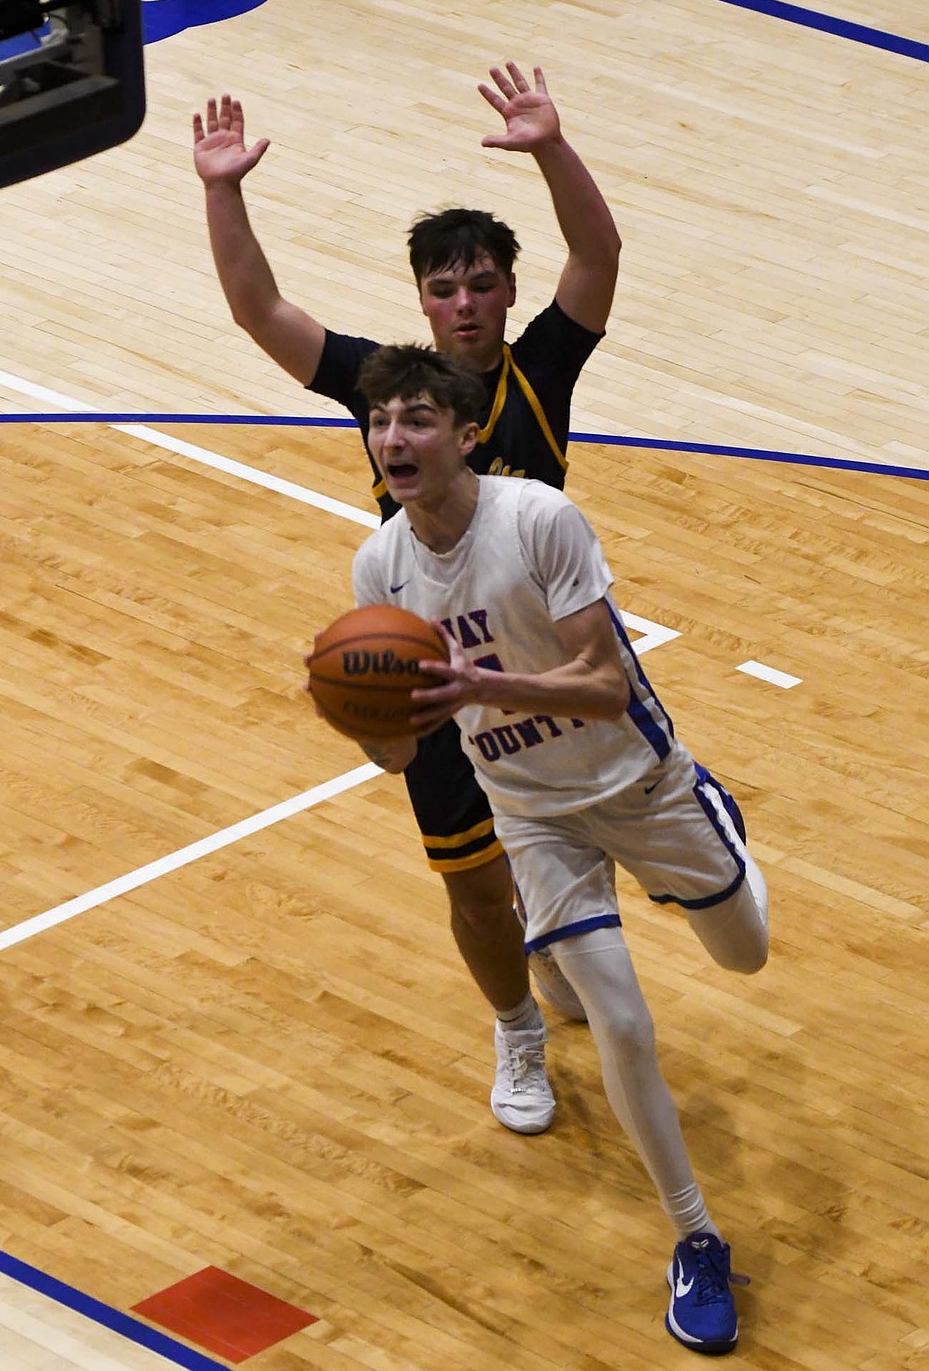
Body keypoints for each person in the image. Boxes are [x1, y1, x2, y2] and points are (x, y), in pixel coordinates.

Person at [192, 62, 621, 1135]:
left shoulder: (538, 373)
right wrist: (222, 189)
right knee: (472, 883)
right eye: (444, 286)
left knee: (569, 868)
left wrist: (551, 150)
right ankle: (516, 1027)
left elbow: (597, 253)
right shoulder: (387, 386)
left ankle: (555, 939)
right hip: (431, 673)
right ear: (421, 298)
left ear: (506, 292)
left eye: (480, 282)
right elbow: (258, 309)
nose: (464, 302)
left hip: (539, 668)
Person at [336, 342, 769, 1356]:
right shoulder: (379, 563)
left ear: (464, 433)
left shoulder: (536, 517)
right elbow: (400, 751)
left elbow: (605, 682)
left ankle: (723, 839)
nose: (392, 438)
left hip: (640, 781)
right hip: (532, 811)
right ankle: (695, 1237)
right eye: (378, 421)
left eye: (415, 419)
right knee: (619, 1020)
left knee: (743, 950)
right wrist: (358, 714)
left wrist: (477, 691)